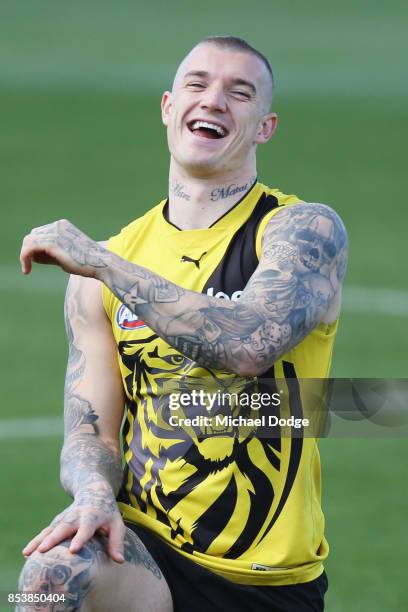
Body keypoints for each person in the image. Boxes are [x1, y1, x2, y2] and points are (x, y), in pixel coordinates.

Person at [18, 36, 347, 612]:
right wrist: (94, 494)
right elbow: (90, 427)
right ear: (169, 107)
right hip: (148, 551)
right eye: (198, 84)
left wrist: (101, 263)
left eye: (238, 92)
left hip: (268, 578)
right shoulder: (108, 262)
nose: (214, 100)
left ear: (265, 126)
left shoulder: (301, 231)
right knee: (51, 572)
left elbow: (248, 343)